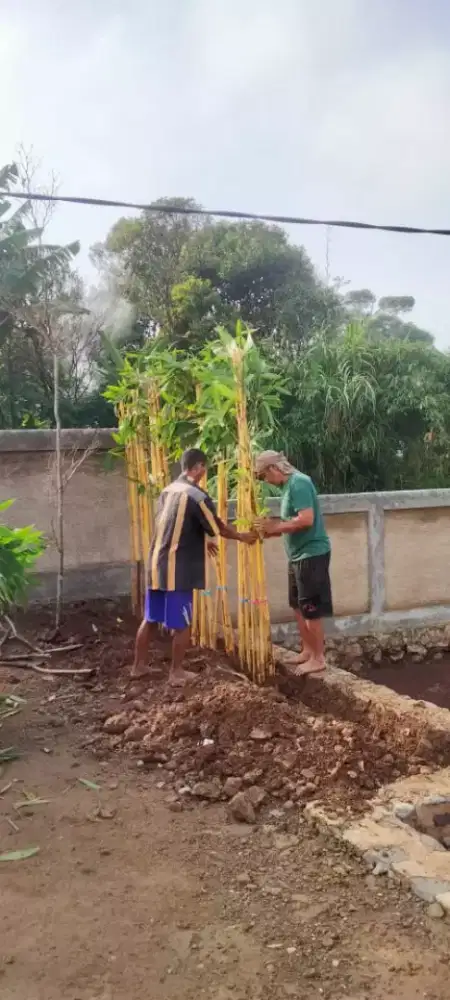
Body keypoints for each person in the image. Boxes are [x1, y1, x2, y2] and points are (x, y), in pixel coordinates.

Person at [131, 447, 255, 684]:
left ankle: (138, 667)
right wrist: (242, 537)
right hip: (178, 569)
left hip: (156, 563)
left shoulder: (168, 490)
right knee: (183, 623)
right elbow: (218, 527)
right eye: (203, 468)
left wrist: (200, 541)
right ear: (197, 467)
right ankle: (176, 672)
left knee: (150, 618)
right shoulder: (197, 496)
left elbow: (171, 526)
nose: (204, 472)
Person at [254, 451, 332, 676]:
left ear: (273, 469)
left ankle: (318, 658)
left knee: (310, 607)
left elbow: (306, 520)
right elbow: (291, 523)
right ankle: (308, 650)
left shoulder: (299, 483)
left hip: (311, 554)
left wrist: (275, 528)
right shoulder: (288, 488)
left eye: (263, 476)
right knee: (298, 604)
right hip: (297, 555)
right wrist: (270, 532)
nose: (265, 481)